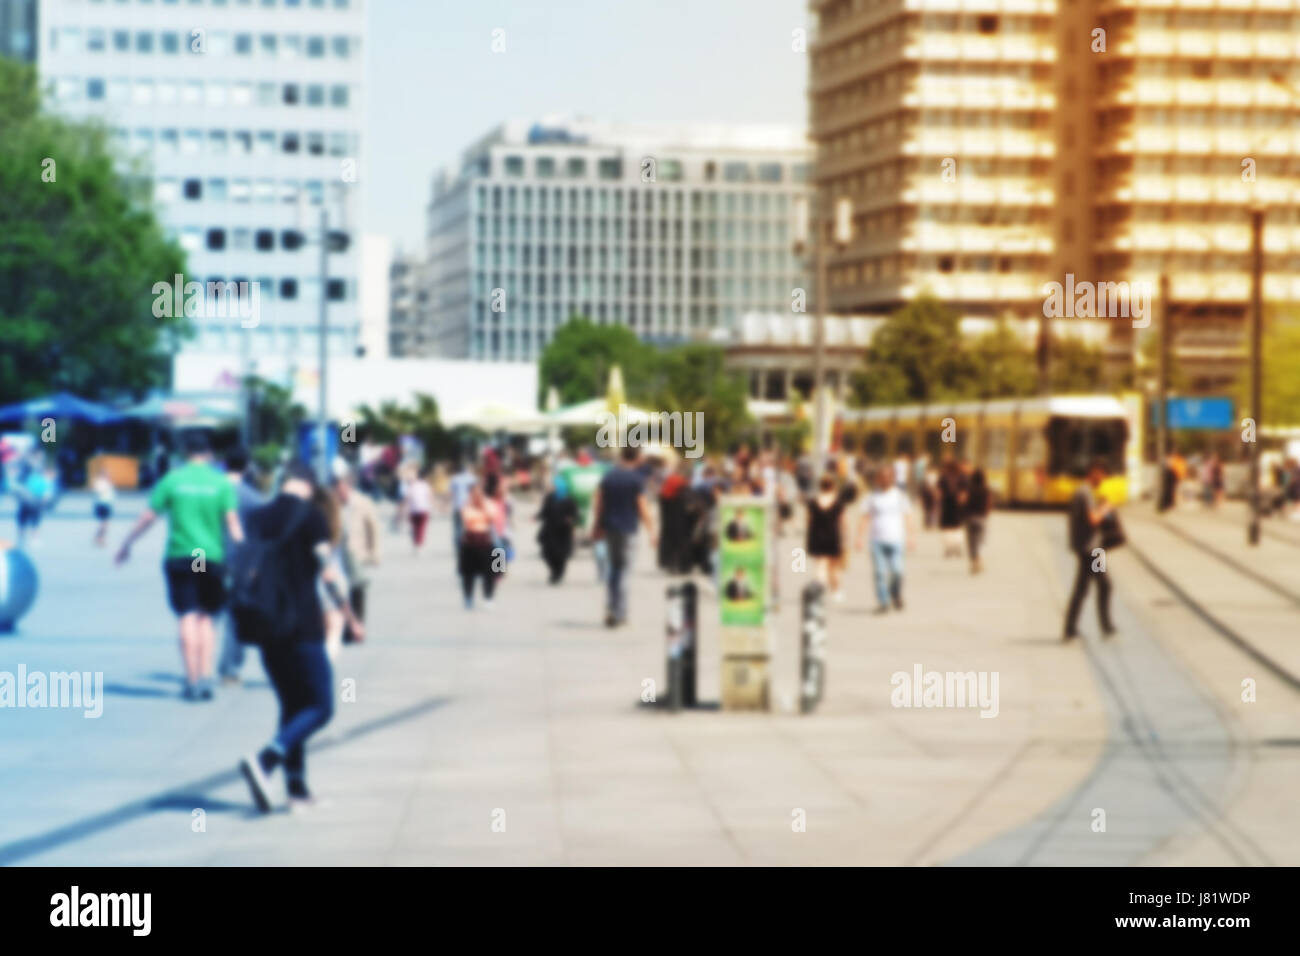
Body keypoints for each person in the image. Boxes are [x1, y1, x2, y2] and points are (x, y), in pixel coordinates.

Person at [238, 461, 362, 813]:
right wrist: (350, 615)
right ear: (309, 485)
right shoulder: (312, 517)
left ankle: (297, 790)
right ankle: (266, 760)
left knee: (293, 707)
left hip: (264, 626)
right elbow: (328, 572)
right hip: (301, 625)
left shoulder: (258, 516)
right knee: (321, 707)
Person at [115, 431, 242, 701]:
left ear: (186, 453)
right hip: (209, 556)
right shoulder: (220, 484)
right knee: (206, 617)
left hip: (183, 555)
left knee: (187, 615)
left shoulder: (173, 480)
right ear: (209, 455)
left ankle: (192, 679)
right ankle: (206, 677)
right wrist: (246, 557)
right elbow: (233, 524)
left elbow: (148, 517)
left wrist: (127, 544)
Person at [591, 445, 657, 627]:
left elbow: (600, 504)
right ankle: (620, 612)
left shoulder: (609, 476)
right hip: (628, 529)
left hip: (610, 528)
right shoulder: (636, 479)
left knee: (614, 568)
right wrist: (651, 531)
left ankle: (611, 607)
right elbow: (642, 506)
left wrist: (596, 526)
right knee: (625, 571)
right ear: (637, 458)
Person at [218, 449, 268, 685]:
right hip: (238, 562)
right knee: (233, 617)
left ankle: (196, 665)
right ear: (246, 467)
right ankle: (229, 669)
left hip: (202, 558)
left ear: (224, 464)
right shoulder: (253, 498)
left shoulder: (211, 490)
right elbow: (260, 535)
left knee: (201, 615)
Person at [1063, 460, 1117, 641]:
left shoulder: (1085, 492)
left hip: (1089, 547)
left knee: (1086, 587)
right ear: (1094, 472)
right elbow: (1093, 519)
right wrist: (1105, 509)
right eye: (1102, 474)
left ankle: (1072, 628)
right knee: (1103, 586)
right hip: (1091, 549)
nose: (1103, 478)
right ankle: (1104, 626)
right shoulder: (1085, 492)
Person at [855, 465, 913, 613]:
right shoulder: (871, 497)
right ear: (878, 479)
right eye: (882, 477)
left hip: (896, 539)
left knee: (898, 571)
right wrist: (859, 537)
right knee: (880, 573)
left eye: (888, 477)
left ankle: (895, 592)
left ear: (893, 478)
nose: (885, 480)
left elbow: (908, 517)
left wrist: (911, 537)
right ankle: (883, 602)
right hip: (877, 540)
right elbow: (865, 517)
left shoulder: (900, 496)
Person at [333, 465, 380, 643]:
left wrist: (374, 552)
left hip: (356, 551)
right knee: (341, 591)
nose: (340, 492)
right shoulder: (333, 502)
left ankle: (357, 625)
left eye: (343, 488)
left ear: (349, 486)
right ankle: (346, 628)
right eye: (338, 488)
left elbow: (373, 528)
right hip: (337, 552)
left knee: (358, 588)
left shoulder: (362, 502)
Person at [805, 473, 847, 601]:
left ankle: (818, 591)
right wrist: (845, 539)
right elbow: (843, 522)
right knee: (833, 568)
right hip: (833, 537)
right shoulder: (838, 502)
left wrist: (809, 537)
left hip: (817, 537)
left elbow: (809, 521)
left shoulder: (813, 502)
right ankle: (836, 592)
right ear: (833, 486)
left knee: (819, 566)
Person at [458, 483, 501, 609]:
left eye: (479, 492)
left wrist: (482, 507)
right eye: (474, 492)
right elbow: (467, 519)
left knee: (491, 572)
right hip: (470, 542)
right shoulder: (466, 505)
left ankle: (489, 597)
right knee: (468, 574)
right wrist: (480, 513)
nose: (477, 495)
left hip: (486, 541)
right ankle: (468, 598)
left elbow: (491, 517)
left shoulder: (490, 503)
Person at [536, 475, 578, 584]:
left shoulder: (569, 499)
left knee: (561, 556)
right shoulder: (549, 497)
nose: (552, 487)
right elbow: (544, 511)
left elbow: (575, 514)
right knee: (546, 554)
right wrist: (536, 516)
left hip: (563, 533)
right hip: (550, 530)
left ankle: (558, 573)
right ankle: (553, 571)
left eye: (554, 485)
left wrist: (571, 519)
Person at [964, 468, 992, 574]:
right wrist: (986, 514)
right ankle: (978, 561)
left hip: (970, 518)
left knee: (971, 542)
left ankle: (974, 561)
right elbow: (988, 504)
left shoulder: (969, 489)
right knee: (980, 541)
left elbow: (964, 501)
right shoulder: (986, 489)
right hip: (982, 518)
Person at [448, 458, 477, 549]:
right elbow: (476, 492)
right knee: (469, 527)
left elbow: (451, 493)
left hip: (457, 506)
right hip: (469, 506)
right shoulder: (472, 478)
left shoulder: (455, 479)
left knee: (457, 527)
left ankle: (458, 545)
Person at [404, 466, 433, 551]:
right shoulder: (426, 485)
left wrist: (406, 509)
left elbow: (408, 498)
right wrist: (431, 506)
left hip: (413, 509)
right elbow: (430, 496)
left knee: (414, 527)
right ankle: (419, 543)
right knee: (421, 527)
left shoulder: (412, 486)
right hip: (424, 508)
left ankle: (416, 543)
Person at [92, 467, 115, 547]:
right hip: (102, 504)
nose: (108, 475)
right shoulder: (99, 482)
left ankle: (98, 538)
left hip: (108, 504)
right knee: (104, 523)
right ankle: (99, 539)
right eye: (106, 474)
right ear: (102, 474)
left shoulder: (107, 482)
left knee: (105, 524)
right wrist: (107, 485)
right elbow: (99, 491)